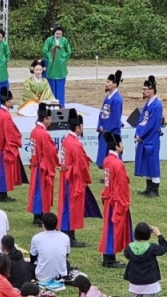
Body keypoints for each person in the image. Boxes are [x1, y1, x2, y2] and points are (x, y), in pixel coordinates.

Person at [57, 109, 92, 248]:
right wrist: (86, 178)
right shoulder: (75, 144)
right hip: (73, 178)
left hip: (66, 176)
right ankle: (69, 236)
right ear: (77, 127)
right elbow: (81, 165)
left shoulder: (66, 140)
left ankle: (66, 233)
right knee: (72, 207)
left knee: (66, 206)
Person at [99, 133, 133, 267]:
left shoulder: (107, 160)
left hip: (109, 199)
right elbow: (121, 186)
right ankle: (110, 259)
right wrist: (125, 203)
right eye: (122, 143)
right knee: (114, 228)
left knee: (108, 228)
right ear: (118, 146)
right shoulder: (118, 164)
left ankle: (107, 257)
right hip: (116, 201)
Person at [123, 223, 167, 297]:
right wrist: (159, 234)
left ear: (135, 234)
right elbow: (164, 248)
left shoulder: (130, 247)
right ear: (149, 234)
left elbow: (126, 254)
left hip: (135, 281)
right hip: (150, 281)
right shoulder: (152, 248)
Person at [0, 87, 23, 201]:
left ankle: (1, 194)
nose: (13, 102)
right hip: (4, 146)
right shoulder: (5, 115)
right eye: (12, 100)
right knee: (3, 171)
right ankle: (2, 195)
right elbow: (10, 132)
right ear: (7, 101)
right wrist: (17, 140)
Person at [28, 104, 58, 225]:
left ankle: (37, 215)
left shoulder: (34, 131)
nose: (50, 121)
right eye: (50, 118)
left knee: (36, 191)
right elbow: (50, 151)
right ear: (45, 119)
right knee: (42, 191)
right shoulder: (44, 134)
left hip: (36, 165)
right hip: (43, 167)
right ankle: (40, 216)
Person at [135, 76, 164, 197]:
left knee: (153, 163)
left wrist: (141, 134)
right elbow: (141, 120)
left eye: (145, 89)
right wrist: (137, 133)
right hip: (145, 137)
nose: (143, 91)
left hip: (151, 138)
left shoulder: (157, 105)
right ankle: (148, 187)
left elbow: (152, 124)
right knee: (146, 162)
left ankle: (155, 189)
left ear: (152, 90)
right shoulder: (147, 104)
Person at [30, 213, 70, 283]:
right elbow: (66, 255)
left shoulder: (36, 238)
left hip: (41, 276)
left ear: (43, 225)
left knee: (27, 266)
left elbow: (32, 257)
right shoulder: (65, 237)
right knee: (67, 263)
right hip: (61, 275)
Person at [96, 71, 123, 168]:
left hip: (112, 131)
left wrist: (106, 129)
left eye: (109, 82)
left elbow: (115, 118)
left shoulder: (117, 99)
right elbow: (102, 113)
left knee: (111, 153)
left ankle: (113, 172)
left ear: (114, 84)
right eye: (106, 81)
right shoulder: (107, 97)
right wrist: (100, 125)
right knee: (105, 154)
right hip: (104, 129)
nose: (106, 84)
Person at [41, 24, 71, 105]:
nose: (58, 35)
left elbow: (68, 51)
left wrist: (63, 58)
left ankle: (60, 104)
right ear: (54, 33)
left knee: (60, 86)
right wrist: (50, 58)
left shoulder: (64, 40)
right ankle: (51, 103)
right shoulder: (49, 40)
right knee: (51, 85)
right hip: (51, 63)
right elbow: (45, 50)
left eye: (60, 34)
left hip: (60, 64)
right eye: (57, 34)